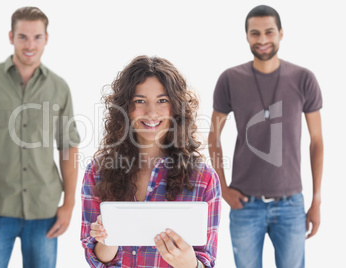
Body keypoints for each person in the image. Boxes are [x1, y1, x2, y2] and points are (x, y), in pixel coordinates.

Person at [0, 6, 80, 268]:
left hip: (44, 211)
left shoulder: (59, 88)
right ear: (11, 36)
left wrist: (69, 204)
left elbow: (68, 145)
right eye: (23, 36)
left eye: (37, 37)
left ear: (47, 38)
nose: (30, 45)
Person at [208, 5, 323, 268]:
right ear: (247, 36)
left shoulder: (304, 78)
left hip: (291, 204)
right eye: (255, 33)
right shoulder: (230, 79)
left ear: (281, 33)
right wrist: (223, 189)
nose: (262, 40)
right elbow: (213, 136)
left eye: (269, 32)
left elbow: (317, 141)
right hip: (245, 205)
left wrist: (316, 200)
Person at [81, 55, 221, 268]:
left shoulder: (204, 179)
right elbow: (97, 259)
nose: (152, 112)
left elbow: (206, 260)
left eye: (162, 101)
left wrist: (189, 263)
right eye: (140, 101)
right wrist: (106, 239)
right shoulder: (97, 171)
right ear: (125, 108)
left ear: (176, 107)